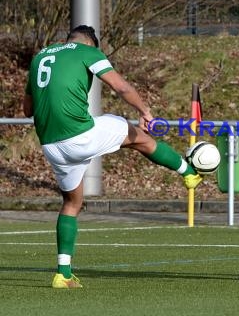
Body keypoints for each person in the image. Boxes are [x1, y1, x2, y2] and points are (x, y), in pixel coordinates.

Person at [23, 25, 203, 289]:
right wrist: (146, 110)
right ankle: (188, 173)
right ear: (92, 45)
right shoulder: (88, 52)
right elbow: (121, 87)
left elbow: (27, 109)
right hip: (79, 136)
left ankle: (63, 273)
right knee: (137, 136)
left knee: (72, 203)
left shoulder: (40, 57)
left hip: (52, 145)